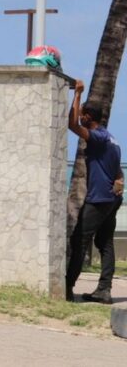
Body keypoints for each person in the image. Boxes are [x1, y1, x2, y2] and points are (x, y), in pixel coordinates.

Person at [65, 81, 123, 304]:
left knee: (79, 239)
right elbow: (118, 171)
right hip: (112, 200)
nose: (81, 117)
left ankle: (67, 287)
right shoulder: (113, 140)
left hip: (98, 200)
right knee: (105, 243)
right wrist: (119, 184)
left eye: (83, 114)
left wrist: (78, 93)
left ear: (89, 117)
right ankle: (104, 290)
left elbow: (72, 125)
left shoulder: (97, 137)